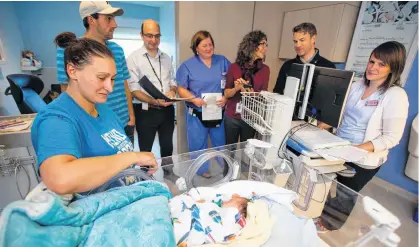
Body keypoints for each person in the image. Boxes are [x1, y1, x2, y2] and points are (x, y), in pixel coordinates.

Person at [31, 34, 157, 195]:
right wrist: (131, 157)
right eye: (101, 78)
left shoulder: (102, 108)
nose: (110, 88)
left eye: (112, 79)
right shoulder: (56, 119)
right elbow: (59, 178)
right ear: (72, 70)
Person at [316, 41, 409, 232]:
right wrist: (326, 123)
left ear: (393, 68)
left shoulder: (395, 95)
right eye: (372, 61)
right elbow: (342, 112)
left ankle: (329, 224)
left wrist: (357, 149)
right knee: (327, 181)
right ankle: (320, 211)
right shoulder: (358, 85)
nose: (373, 68)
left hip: (364, 156)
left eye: (381, 64)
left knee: (345, 193)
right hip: (340, 145)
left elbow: (391, 138)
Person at [55, 1, 135, 144]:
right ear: (91, 20)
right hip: (92, 126)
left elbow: (124, 86)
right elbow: (66, 92)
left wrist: (131, 117)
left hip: (123, 122)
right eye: (108, 18)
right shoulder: (68, 50)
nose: (115, 24)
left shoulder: (117, 49)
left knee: (128, 164)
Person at [176, 30, 231, 177]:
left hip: (217, 111)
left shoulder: (223, 61)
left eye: (210, 44)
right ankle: (202, 170)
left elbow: (231, 82)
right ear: (196, 48)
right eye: (204, 45)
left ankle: (225, 167)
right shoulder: (187, 66)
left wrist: (226, 97)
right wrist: (193, 99)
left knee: (221, 142)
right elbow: (181, 88)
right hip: (197, 112)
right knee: (197, 143)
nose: (208, 48)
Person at [126, 19, 176, 160]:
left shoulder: (166, 58)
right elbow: (134, 90)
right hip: (145, 111)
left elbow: (172, 81)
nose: (153, 40)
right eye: (149, 35)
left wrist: (172, 91)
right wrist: (154, 101)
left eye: (157, 36)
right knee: (146, 149)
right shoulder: (133, 59)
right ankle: (146, 177)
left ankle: (169, 172)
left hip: (167, 110)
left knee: (167, 145)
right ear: (141, 35)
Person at [224, 30, 270, 145]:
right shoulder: (234, 67)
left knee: (247, 153)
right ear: (252, 45)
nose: (266, 48)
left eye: (266, 44)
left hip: (251, 118)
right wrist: (236, 88)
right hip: (232, 118)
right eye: (262, 44)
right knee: (229, 152)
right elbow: (226, 93)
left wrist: (251, 94)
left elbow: (264, 96)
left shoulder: (265, 70)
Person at [170, 187, 248, 246]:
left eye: (233, 200)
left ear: (241, 207)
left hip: (191, 228)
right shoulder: (216, 203)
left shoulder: (233, 214)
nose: (230, 199)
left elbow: (224, 232)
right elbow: (204, 201)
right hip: (186, 212)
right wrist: (198, 203)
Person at [273, 22, 335, 95]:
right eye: (295, 41)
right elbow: (277, 93)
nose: (298, 45)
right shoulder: (287, 65)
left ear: (313, 39)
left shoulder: (328, 67)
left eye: (302, 40)